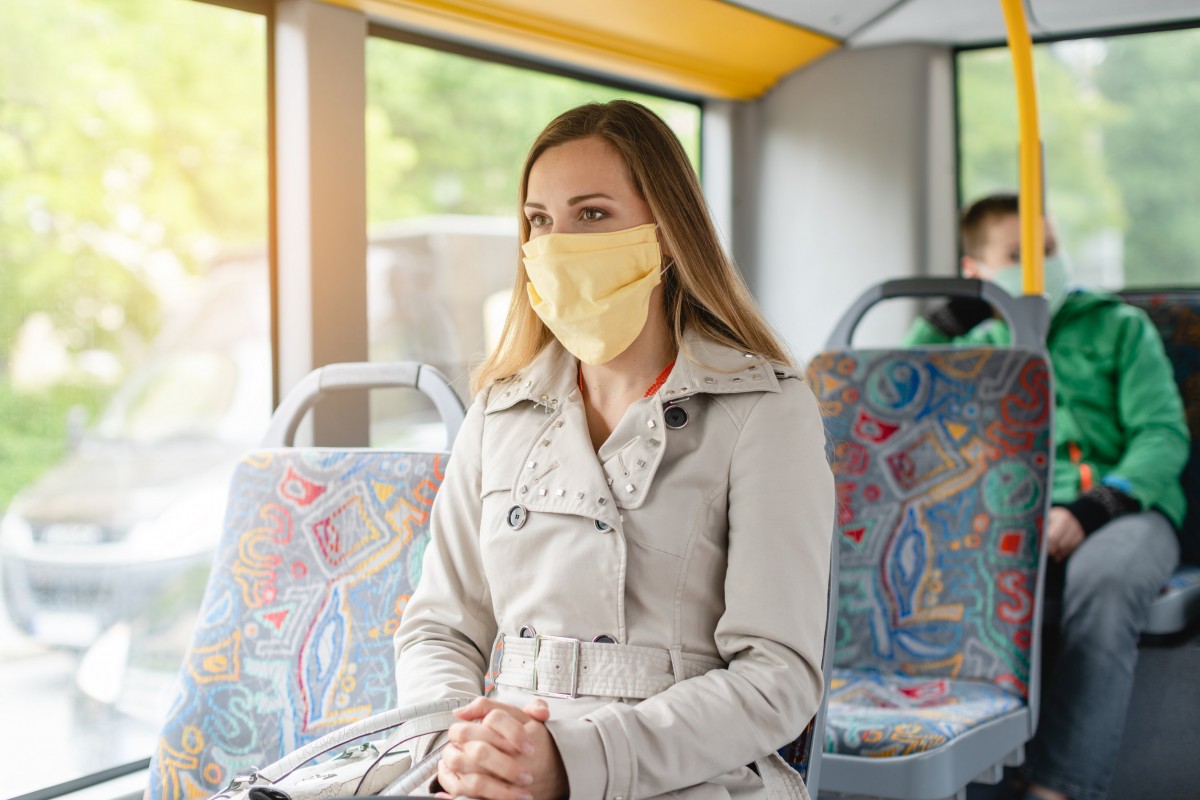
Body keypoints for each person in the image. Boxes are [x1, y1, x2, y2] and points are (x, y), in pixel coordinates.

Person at [391, 100, 835, 800]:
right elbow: (438, 631)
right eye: (540, 221)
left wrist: (571, 763)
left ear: (667, 234)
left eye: (592, 214)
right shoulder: (497, 412)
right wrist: (464, 748)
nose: (557, 245)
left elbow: (776, 678)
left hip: (681, 773)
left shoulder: (766, 410)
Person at [903, 192, 1188, 800]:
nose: (1040, 266)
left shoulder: (1119, 327)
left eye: (1049, 249)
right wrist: (948, 316)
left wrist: (1091, 509)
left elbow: (1162, 435)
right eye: (1017, 256)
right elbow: (895, 399)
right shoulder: (973, 343)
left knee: (1106, 580)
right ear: (977, 269)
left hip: (1122, 507)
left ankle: (1058, 786)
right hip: (1004, 511)